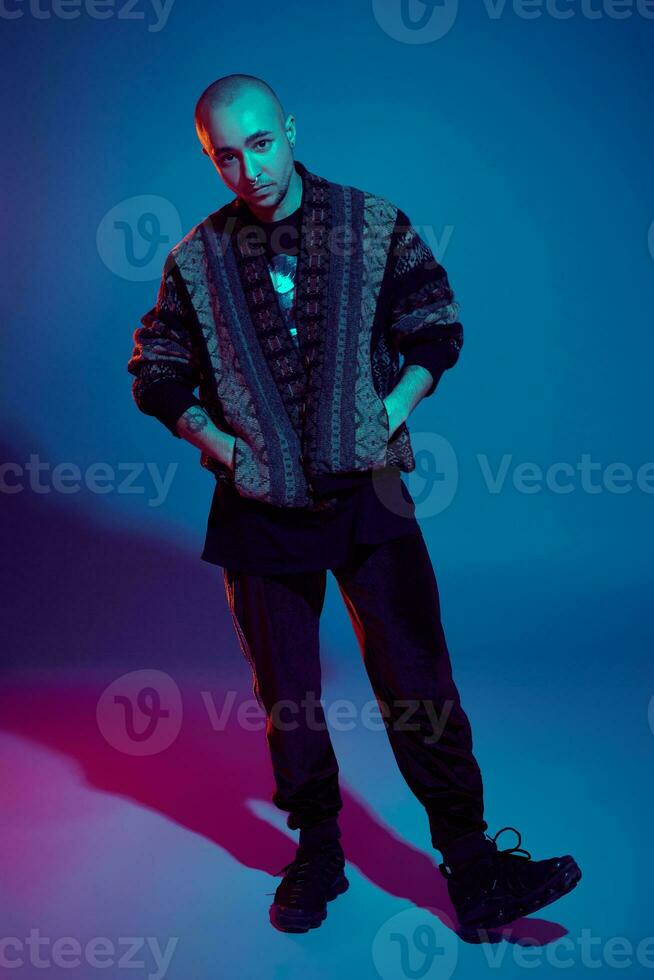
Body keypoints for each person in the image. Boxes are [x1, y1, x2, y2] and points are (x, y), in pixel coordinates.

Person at [127, 73, 581, 937]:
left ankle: (474, 863)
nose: (250, 168)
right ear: (211, 160)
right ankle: (319, 849)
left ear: (289, 129)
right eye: (227, 155)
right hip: (259, 507)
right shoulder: (195, 258)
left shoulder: (370, 223)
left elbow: (435, 321)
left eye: (261, 143)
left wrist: (393, 408)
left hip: (369, 490)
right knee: (286, 692)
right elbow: (156, 367)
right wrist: (211, 440)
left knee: (418, 679)